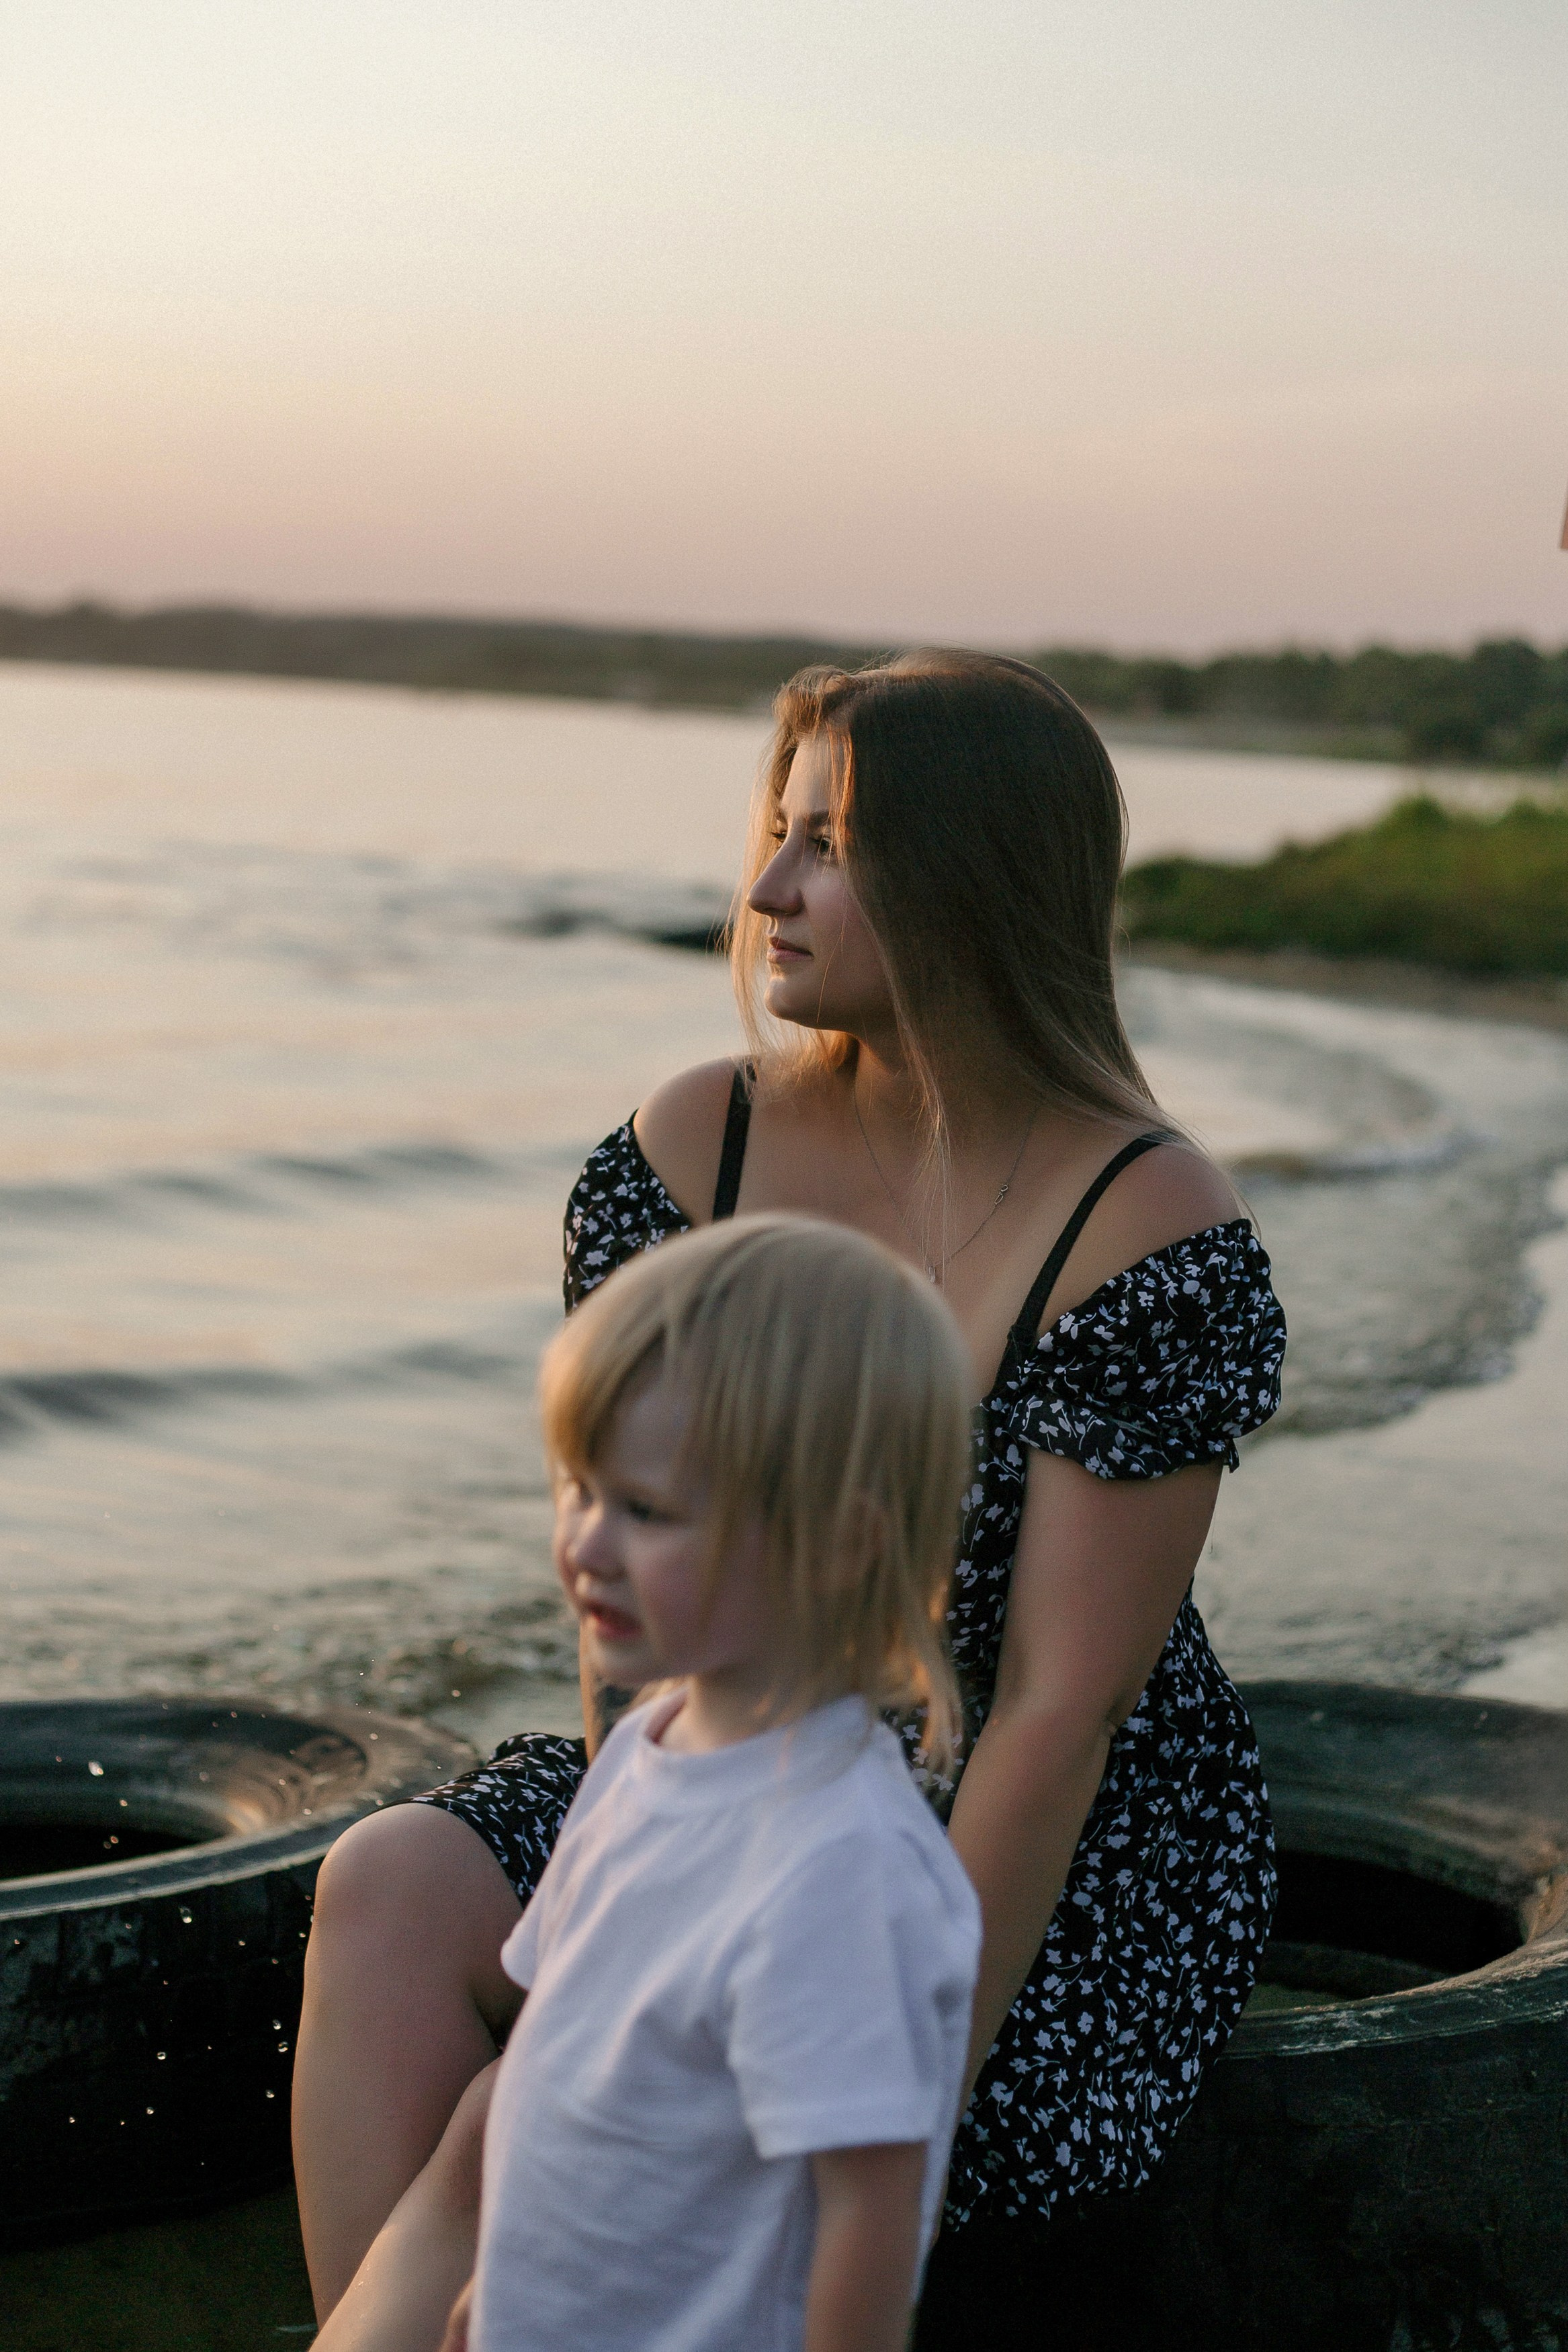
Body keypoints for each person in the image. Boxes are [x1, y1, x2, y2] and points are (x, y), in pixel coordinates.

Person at [294, 650, 1287, 2327]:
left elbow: (1058, 1706)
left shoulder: (1146, 1218)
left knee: (671, 2104)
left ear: (966, 874)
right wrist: (637, 1917)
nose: (767, 889)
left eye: (826, 844)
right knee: (390, 1883)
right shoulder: (692, 1151)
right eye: (780, 829)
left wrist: (879, 2060)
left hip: (1026, 1843)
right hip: (720, 1763)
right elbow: (636, 1613)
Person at [317, 1214, 982, 2352]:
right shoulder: (651, 1747)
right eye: (578, 1489)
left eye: (648, 1512)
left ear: (838, 1546)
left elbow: (865, 2220)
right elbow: (559, 2052)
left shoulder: (841, 1869)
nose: (584, 1543)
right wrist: (499, 2283)